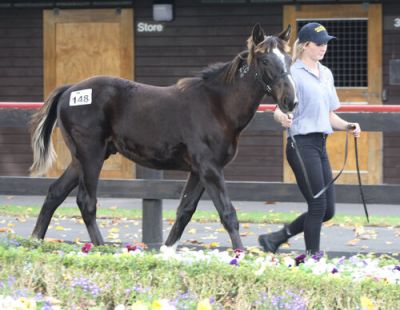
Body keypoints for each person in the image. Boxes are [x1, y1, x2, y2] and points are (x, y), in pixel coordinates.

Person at [258, 22, 361, 255]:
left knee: (328, 210)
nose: (324, 47)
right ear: (305, 46)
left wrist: (348, 126)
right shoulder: (292, 72)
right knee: (317, 205)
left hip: (319, 145)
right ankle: (313, 259)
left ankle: (275, 238)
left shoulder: (325, 73)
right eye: (319, 43)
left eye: (326, 43)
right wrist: (281, 117)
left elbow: (328, 114)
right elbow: (278, 109)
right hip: (301, 144)